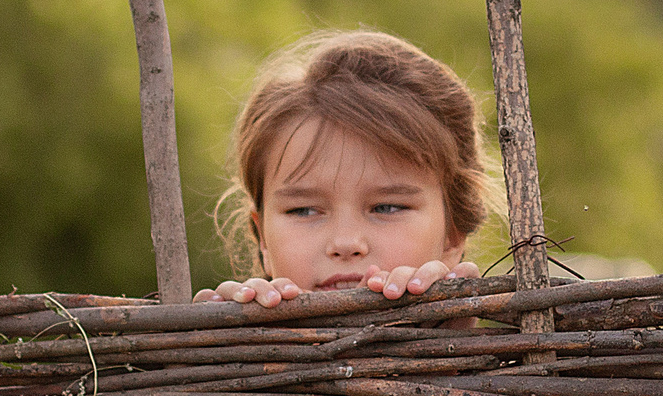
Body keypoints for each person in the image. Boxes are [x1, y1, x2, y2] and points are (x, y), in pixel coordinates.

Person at [198, 28, 494, 308]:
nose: (345, 243)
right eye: (303, 210)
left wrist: (446, 339)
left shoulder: (505, 344)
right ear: (263, 237)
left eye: (387, 207)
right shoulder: (228, 341)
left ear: (453, 234)